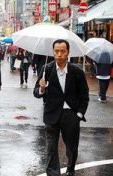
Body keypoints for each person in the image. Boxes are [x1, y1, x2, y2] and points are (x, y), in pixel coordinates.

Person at [33, 39, 89, 176]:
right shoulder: (46, 69)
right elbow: (36, 93)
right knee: (51, 148)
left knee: (71, 148)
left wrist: (79, 115)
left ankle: (70, 168)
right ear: (53, 52)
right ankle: (53, 173)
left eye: (62, 51)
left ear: (68, 52)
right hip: (51, 114)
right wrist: (41, 89)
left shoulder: (77, 71)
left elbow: (84, 95)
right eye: (56, 51)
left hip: (71, 115)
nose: (59, 54)